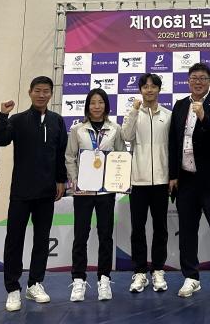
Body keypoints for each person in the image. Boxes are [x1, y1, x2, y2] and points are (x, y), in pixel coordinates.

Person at [0, 76, 67, 312]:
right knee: (14, 239)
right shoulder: (17, 120)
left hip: (46, 192)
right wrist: (2, 116)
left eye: (46, 91)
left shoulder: (57, 121)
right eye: (37, 90)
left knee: (42, 240)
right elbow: (0, 140)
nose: (41, 95)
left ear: (51, 94)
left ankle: (35, 283)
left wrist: (61, 180)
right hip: (21, 191)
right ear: (30, 92)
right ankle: (12, 288)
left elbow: (61, 153)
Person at [169, 62, 210, 300]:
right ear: (188, 81)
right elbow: (173, 141)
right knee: (187, 231)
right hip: (186, 179)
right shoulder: (180, 105)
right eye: (194, 78)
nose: (198, 82)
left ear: (209, 81)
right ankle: (191, 276)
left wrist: (203, 116)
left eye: (203, 78)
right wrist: (173, 175)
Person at [66, 88, 126, 302]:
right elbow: (70, 157)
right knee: (81, 235)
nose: (97, 106)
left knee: (105, 235)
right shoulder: (78, 129)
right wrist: (75, 181)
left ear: (106, 105)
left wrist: (118, 180)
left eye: (100, 102)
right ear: (87, 106)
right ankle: (78, 279)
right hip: (83, 190)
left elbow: (121, 156)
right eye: (93, 102)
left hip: (105, 191)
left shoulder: (115, 129)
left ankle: (104, 279)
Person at [121, 73, 171, 293]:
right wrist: (134, 110)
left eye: (153, 86)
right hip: (138, 181)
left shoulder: (168, 115)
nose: (149, 90)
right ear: (140, 90)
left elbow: (172, 146)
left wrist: (171, 176)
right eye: (145, 87)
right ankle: (140, 271)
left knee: (161, 228)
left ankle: (158, 269)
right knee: (138, 228)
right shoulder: (133, 113)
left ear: (159, 89)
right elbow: (126, 136)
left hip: (161, 180)